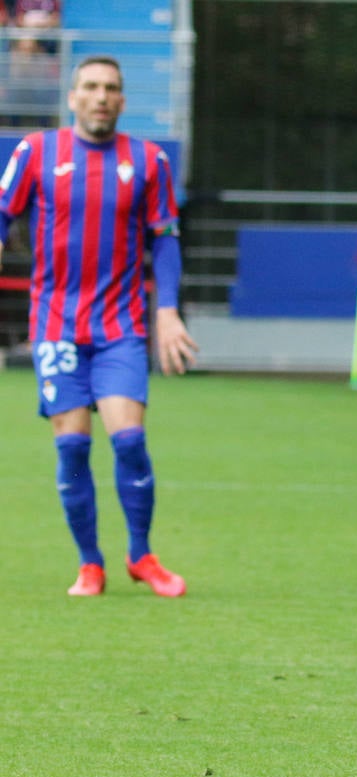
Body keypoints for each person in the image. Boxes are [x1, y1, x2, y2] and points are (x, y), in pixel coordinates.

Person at [0, 55, 198, 597]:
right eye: (90, 86)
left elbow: (166, 239)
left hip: (121, 326)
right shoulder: (36, 152)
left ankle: (142, 555)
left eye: (111, 87)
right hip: (56, 326)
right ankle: (90, 563)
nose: (101, 96)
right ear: (72, 97)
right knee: (71, 449)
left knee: (130, 441)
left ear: (123, 101)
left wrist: (166, 310)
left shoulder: (149, 159)